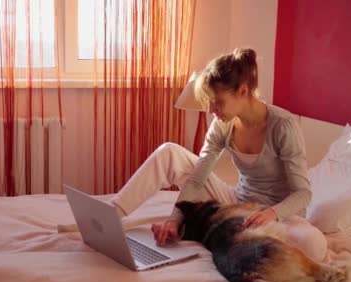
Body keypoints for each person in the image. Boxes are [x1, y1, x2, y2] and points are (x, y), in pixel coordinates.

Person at [107, 47, 319, 254]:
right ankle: (109, 215)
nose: (211, 110)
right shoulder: (223, 124)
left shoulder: (283, 126)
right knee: (170, 152)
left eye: (218, 102)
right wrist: (173, 219)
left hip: (279, 212)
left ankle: (248, 235)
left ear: (243, 91)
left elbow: (303, 193)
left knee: (314, 245)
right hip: (238, 202)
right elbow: (197, 179)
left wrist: (273, 213)